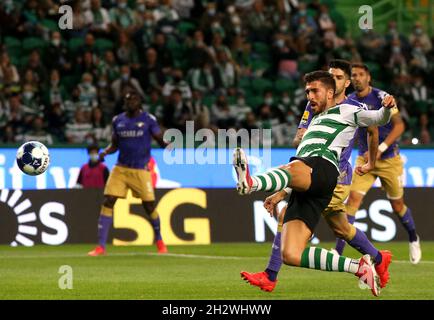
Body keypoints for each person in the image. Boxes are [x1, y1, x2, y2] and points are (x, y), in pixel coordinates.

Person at [233, 70, 396, 297]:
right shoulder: (313, 124)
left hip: (325, 169)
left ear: (330, 93)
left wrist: (387, 108)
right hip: (309, 181)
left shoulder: (347, 110)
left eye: (314, 90)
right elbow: (298, 175)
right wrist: (281, 193)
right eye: (307, 91)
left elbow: (378, 119)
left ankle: (251, 183)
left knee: (295, 166)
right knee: (291, 254)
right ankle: (358, 267)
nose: (309, 96)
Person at [344, 63, 421, 264]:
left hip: (388, 160)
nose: (357, 78)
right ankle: (337, 251)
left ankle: (413, 238)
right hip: (364, 159)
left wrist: (381, 147)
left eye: (361, 75)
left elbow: (400, 125)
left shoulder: (382, 97)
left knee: (397, 205)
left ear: (368, 77)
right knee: (352, 201)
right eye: (353, 75)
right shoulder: (349, 101)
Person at [88, 91, 169, 256]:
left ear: (139, 101)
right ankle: (101, 247)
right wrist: (105, 152)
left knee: (149, 206)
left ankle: (160, 241)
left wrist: (166, 145)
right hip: (121, 169)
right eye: (127, 99)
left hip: (140, 169)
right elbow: (114, 144)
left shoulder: (148, 119)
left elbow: (159, 138)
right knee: (109, 200)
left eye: (133, 99)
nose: (130, 102)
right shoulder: (118, 120)